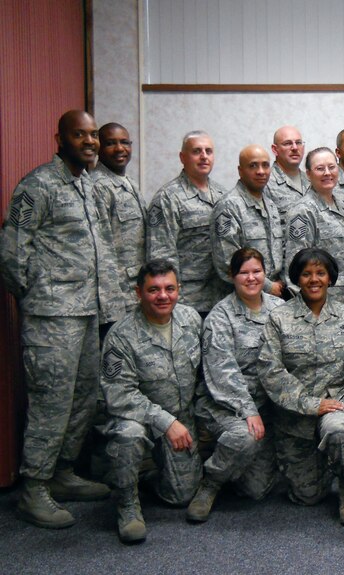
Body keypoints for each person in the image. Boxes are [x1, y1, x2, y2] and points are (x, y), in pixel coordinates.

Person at [0, 110, 122, 529]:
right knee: (51, 401)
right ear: (60, 138)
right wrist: (36, 297)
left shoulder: (88, 184)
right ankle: (33, 487)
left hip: (88, 311)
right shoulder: (37, 186)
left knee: (85, 396)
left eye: (92, 135)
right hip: (52, 316)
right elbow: (14, 250)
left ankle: (63, 471)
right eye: (79, 135)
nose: (89, 142)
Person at [257, 248, 344, 525]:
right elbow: (272, 371)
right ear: (297, 278)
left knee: (338, 428)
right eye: (306, 274)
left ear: (330, 278)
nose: (314, 279)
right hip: (296, 416)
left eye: (320, 273)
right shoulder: (278, 319)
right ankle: (328, 460)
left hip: (338, 402)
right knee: (307, 496)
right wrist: (311, 404)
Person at [101, 259, 203, 543]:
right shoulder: (121, 336)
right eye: (153, 289)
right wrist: (166, 421)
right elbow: (120, 394)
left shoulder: (191, 320)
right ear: (138, 293)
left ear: (179, 290)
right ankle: (127, 504)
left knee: (181, 496)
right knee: (128, 434)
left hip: (183, 420)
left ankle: (145, 473)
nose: (163, 296)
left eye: (170, 288)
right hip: (142, 421)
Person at [186, 248, 285, 522]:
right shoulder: (220, 317)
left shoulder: (280, 309)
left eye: (257, 271)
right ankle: (211, 482)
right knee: (245, 438)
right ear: (232, 276)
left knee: (256, 490)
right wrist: (248, 410)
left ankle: (241, 459)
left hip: (268, 404)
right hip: (225, 403)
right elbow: (223, 372)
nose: (251, 278)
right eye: (244, 272)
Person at [146, 130, 227, 314]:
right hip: (188, 301)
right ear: (183, 157)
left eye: (208, 151)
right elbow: (161, 254)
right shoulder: (167, 198)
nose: (204, 156)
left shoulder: (223, 195)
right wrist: (170, 298)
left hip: (221, 299)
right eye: (197, 151)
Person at [285, 147, 344, 307]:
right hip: (320, 306)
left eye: (331, 167)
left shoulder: (343, 206)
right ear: (309, 174)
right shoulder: (303, 212)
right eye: (320, 168)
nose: (327, 173)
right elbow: (295, 267)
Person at [211, 145, 285, 297]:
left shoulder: (270, 205)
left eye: (265, 165)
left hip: (273, 297)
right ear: (240, 170)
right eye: (253, 166)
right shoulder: (228, 206)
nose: (261, 171)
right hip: (242, 298)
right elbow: (227, 260)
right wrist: (268, 286)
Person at [92, 122, 147, 315]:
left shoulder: (129, 183)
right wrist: (111, 303)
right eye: (110, 143)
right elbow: (100, 248)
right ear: (99, 147)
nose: (119, 148)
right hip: (116, 296)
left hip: (135, 290)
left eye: (125, 142)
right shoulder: (97, 186)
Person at [266, 125, 311, 229]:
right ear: (274, 149)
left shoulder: (313, 181)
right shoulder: (265, 182)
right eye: (287, 143)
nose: (295, 148)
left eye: (298, 143)